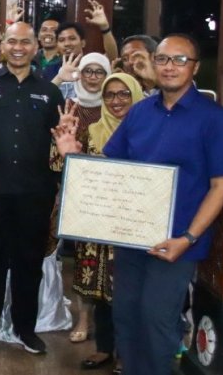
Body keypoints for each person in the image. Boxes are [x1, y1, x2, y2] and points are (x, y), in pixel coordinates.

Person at [101, 34, 223, 375]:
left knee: (157, 320)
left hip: (175, 242)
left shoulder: (214, 119)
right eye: (162, 59)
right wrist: (72, 153)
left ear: (195, 68)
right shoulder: (140, 111)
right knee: (126, 316)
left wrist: (188, 238)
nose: (170, 67)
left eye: (179, 60)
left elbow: (221, 186)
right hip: (131, 237)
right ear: (153, 64)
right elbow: (113, 168)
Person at [0, 22, 64, 355]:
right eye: (12, 42)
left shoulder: (50, 91)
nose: (18, 47)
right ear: (2, 46)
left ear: (36, 47)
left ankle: (25, 328)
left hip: (35, 193)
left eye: (26, 42)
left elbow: (60, 139)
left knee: (28, 263)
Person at [52, 72, 145, 374]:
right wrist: (66, 150)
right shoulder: (91, 131)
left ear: (135, 95)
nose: (116, 101)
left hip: (133, 228)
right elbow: (62, 169)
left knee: (128, 296)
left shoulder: (148, 131)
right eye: (110, 95)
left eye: (123, 94)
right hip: (94, 228)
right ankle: (105, 348)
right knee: (100, 294)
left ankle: (126, 354)